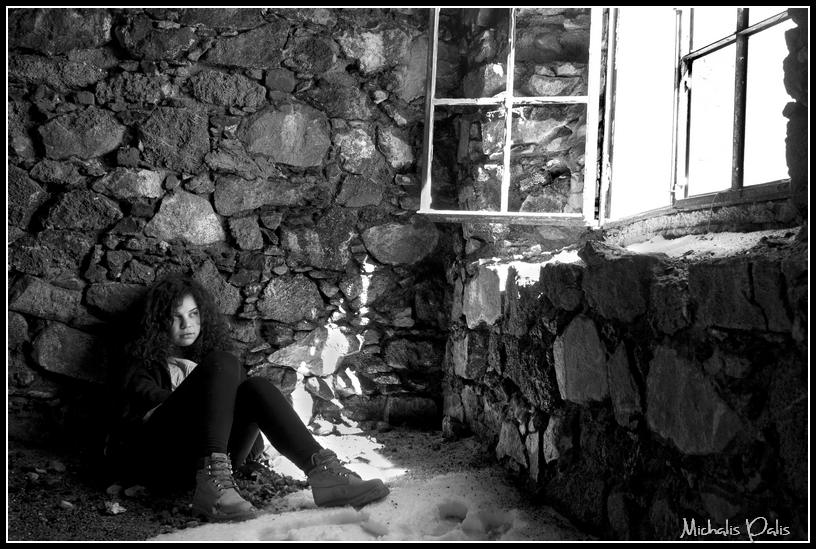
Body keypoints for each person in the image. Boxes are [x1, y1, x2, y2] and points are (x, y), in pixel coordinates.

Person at [105, 273, 389, 522]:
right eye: (175, 317)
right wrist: (206, 389)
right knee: (224, 363)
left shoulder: (208, 356)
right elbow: (143, 411)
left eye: (193, 314)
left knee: (256, 386)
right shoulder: (140, 362)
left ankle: (323, 472)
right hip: (165, 458)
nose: (187, 324)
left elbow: (251, 440)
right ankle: (212, 482)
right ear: (158, 321)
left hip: (220, 464)